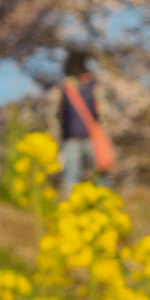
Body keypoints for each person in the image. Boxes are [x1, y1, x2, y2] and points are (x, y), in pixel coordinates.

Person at [54, 49, 108, 197]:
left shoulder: (65, 86)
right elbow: (103, 112)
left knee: (72, 177)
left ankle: (73, 207)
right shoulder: (93, 85)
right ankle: (101, 203)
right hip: (89, 137)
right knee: (99, 175)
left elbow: (57, 114)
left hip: (71, 137)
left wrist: (56, 136)